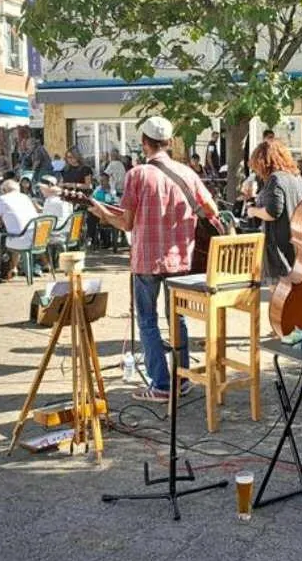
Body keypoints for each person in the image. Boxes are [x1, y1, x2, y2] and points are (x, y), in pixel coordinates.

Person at [87, 116, 217, 403]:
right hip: (182, 259)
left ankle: (160, 384)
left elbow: (127, 224)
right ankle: (181, 380)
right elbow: (211, 209)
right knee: (177, 319)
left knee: (147, 321)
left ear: (144, 143)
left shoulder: (138, 174)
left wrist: (102, 214)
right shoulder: (187, 173)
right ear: (169, 143)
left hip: (147, 260)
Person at [245, 139, 302, 281]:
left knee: (276, 294)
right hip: (294, 240)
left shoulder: (275, 179)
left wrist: (252, 211)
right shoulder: (296, 177)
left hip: (278, 245)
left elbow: (272, 213)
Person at [0, 179, 39, 277]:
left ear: (4, 190)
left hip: (20, 241)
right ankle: (13, 268)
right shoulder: (26, 197)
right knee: (16, 231)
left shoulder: (3, 199)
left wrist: (1, 220)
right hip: (36, 239)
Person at [38, 175, 74, 242]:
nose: (40, 190)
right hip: (68, 233)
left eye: (42, 187)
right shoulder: (65, 198)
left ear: (49, 186)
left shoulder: (50, 201)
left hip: (56, 234)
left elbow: (44, 221)